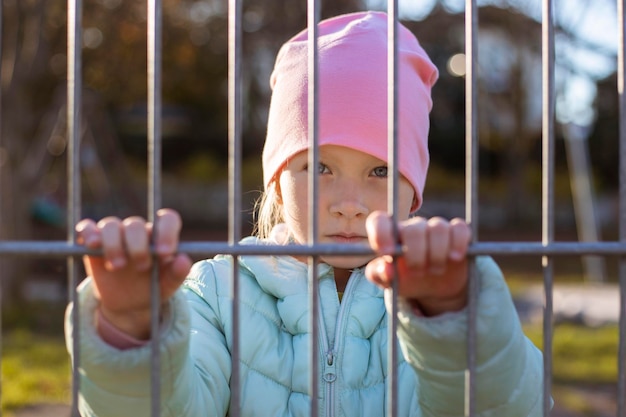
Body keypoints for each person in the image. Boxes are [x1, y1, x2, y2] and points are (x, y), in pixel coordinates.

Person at [65, 11, 546, 417]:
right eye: (318, 166)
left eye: (380, 170)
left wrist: (450, 320)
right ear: (276, 177)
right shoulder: (217, 294)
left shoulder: (447, 291)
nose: (349, 202)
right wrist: (131, 331)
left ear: (413, 190)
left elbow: (511, 404)